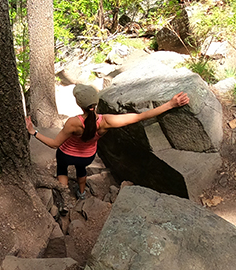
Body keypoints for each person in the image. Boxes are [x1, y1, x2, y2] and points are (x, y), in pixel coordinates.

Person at [25, 84, 189, 200]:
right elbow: (139, 117)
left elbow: (55, 143)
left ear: (79, 104)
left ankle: (64, 196)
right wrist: (170, 104)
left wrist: (34, 132)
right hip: (87, 156)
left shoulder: (73, 123)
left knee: (62, 169)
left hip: (66, 154)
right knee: (81, 170)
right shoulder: (107, 121)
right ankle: (81, 194)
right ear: (95, 103)